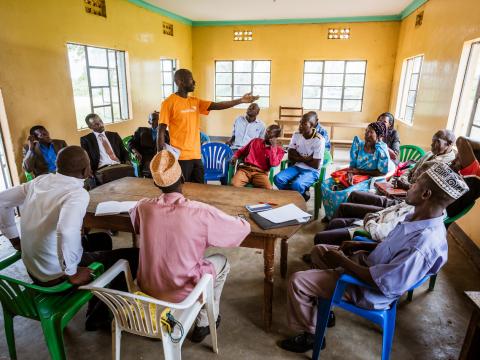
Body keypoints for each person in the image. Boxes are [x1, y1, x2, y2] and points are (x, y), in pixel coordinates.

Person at [278, 162, 468, 354]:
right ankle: (324, 311)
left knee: (298, 281)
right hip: (370, 264)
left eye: (415, 184)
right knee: (319, 251)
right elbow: (392, 248)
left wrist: (342, 261)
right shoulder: (417, 218)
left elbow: (382, 282)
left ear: (426, 194)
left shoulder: (424, 243)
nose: (410, 186)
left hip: (369, 290)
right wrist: (361, 245)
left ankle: (311, 335)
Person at [0, 146, 139, 330]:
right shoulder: (76, 194)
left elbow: (2, 200)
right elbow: (66, 231)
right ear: (85, 170)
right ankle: (98, 318)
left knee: (103, 239)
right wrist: (72, 271)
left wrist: (14, 239)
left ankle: (96, 302)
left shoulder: (39, 182)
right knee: (133, 257)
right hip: (53, 275)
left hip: (34, 267)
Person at [130, 150, 250, 343]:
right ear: (183, 177)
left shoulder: (143, 206)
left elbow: (135, 224)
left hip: (147, 286)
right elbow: (239, 231)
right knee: (222, 262)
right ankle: (204, 322)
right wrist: (243, 220)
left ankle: (179, 315)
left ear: (155, 183)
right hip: (182, 291)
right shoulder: (200, 211)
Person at [156, 68, 259, 183]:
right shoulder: (168, 102)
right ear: (181, 82)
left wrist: (240, 100)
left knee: (200, 188)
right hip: (181, 157)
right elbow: (161, 130)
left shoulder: (195, 101)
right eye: (191, 80)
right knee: (183, 189)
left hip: (196, 156)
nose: (194, 82)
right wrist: (161, 157)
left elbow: (218, 105)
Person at [333, 129, 456, 220]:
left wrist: (406, 186)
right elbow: (410, 169)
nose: (432, 145)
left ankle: (350, 224)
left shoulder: (445, 166)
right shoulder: (430, 154)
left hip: (405, 201)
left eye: (437, 142)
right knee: (355, 195)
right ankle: (347, 222)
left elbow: (425, 192)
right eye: (432, 141)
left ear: (449, 144)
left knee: (349, 206)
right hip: (400, 190)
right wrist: (403, 179)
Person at [321, 121, 394, 219]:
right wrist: (350, 172)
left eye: (371, 132)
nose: (367, 135)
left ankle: (339, 216)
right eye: (366, 131)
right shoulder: (359, 145)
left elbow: (381, 172)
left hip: (371, 179)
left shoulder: (381, 150)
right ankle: (330, 214)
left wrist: (359, 171)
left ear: (379, 136)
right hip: (355, 173)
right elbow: (353, 165)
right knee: (326, 184)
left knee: (345, 192)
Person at [274, 112, 325, 200]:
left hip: (312, 171)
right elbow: (290, 154)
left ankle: (295, 198)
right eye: (300, 122)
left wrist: (297, 158)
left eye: (304, 124)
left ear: (312, 125)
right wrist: (307, 159)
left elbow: (315, 164)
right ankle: (299, 196)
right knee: (278, 179)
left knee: (297, 184)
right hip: (297, 167)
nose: (300, 125)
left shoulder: (319, 140)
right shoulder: (296, 134)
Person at [230, 124, 284, 189]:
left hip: (260, 173)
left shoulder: (279, 150)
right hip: (245, 169)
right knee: (234, 185)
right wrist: (235, 156)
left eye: (270, 134)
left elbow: (273, 164)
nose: (267, 135)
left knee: (268, 189)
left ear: (276, 137)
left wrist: (273, 147)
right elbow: (241, 151)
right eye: (267, 132)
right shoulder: (255, 141)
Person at [129, 111, 170, 178]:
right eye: (154, 119)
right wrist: (136, 152)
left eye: (159, 119)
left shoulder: (166, 133)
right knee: (150, 168)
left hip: (161, 159)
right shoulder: (141, 131)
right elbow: (131, 143)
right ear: (149, 122)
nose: (157, 122)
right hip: (145, 159)